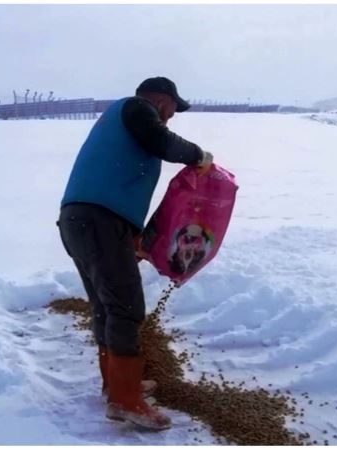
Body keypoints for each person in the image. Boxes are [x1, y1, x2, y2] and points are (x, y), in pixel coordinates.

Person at [57, 77, 213, 430]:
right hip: (97, 222)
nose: (171, 118)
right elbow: (162, 142)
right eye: (173, 109)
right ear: (161, 100)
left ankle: (116, 383)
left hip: (82, 221)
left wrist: (131, 235)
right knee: (125, 306)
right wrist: (199, 156)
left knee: (107, 305)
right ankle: (125, 400)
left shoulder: (122, 120)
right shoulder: (136, 108)